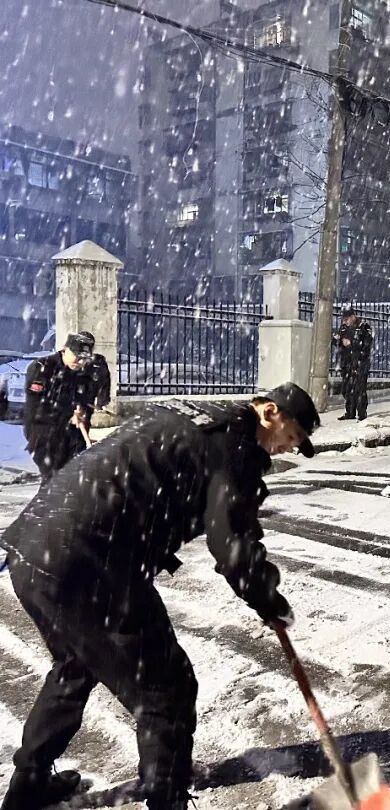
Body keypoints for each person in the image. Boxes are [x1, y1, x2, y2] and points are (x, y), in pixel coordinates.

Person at [0, 382, 318, 810]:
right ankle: (167, 798)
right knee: (165, 688)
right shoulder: (234, 445)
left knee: (76, 665)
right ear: (270, 413)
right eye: (292, 437)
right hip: (88, 559)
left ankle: (29, 786)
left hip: (37, 546)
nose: (288, 449)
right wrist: (267, 598)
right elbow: (232, 544)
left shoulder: (201, 414)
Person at [23, 331, 95, 481]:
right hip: (45, 436)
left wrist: (82, 412)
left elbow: (85, 400)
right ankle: (43, 505)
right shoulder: (42, 369)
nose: (80, 362)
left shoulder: (82, 373)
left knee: (73, 483)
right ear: (64, 349)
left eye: (84, 359)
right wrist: (68, 414)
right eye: (77, 356)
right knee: (54, 482)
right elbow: (37, 408)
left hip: (73, 438)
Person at [333, 310, 373, 420]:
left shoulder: (364, 327)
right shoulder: (344, 328)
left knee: (359, 389)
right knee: (346, 388)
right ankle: (350, 412)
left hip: (360, 362)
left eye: (347, 319)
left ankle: (361, 413)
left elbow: (366, 346)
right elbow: (335, 340)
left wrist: (352, 344)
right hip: (347, 363)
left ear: (353, 317)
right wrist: (340, 340)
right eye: (343, 320)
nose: (345, 322)